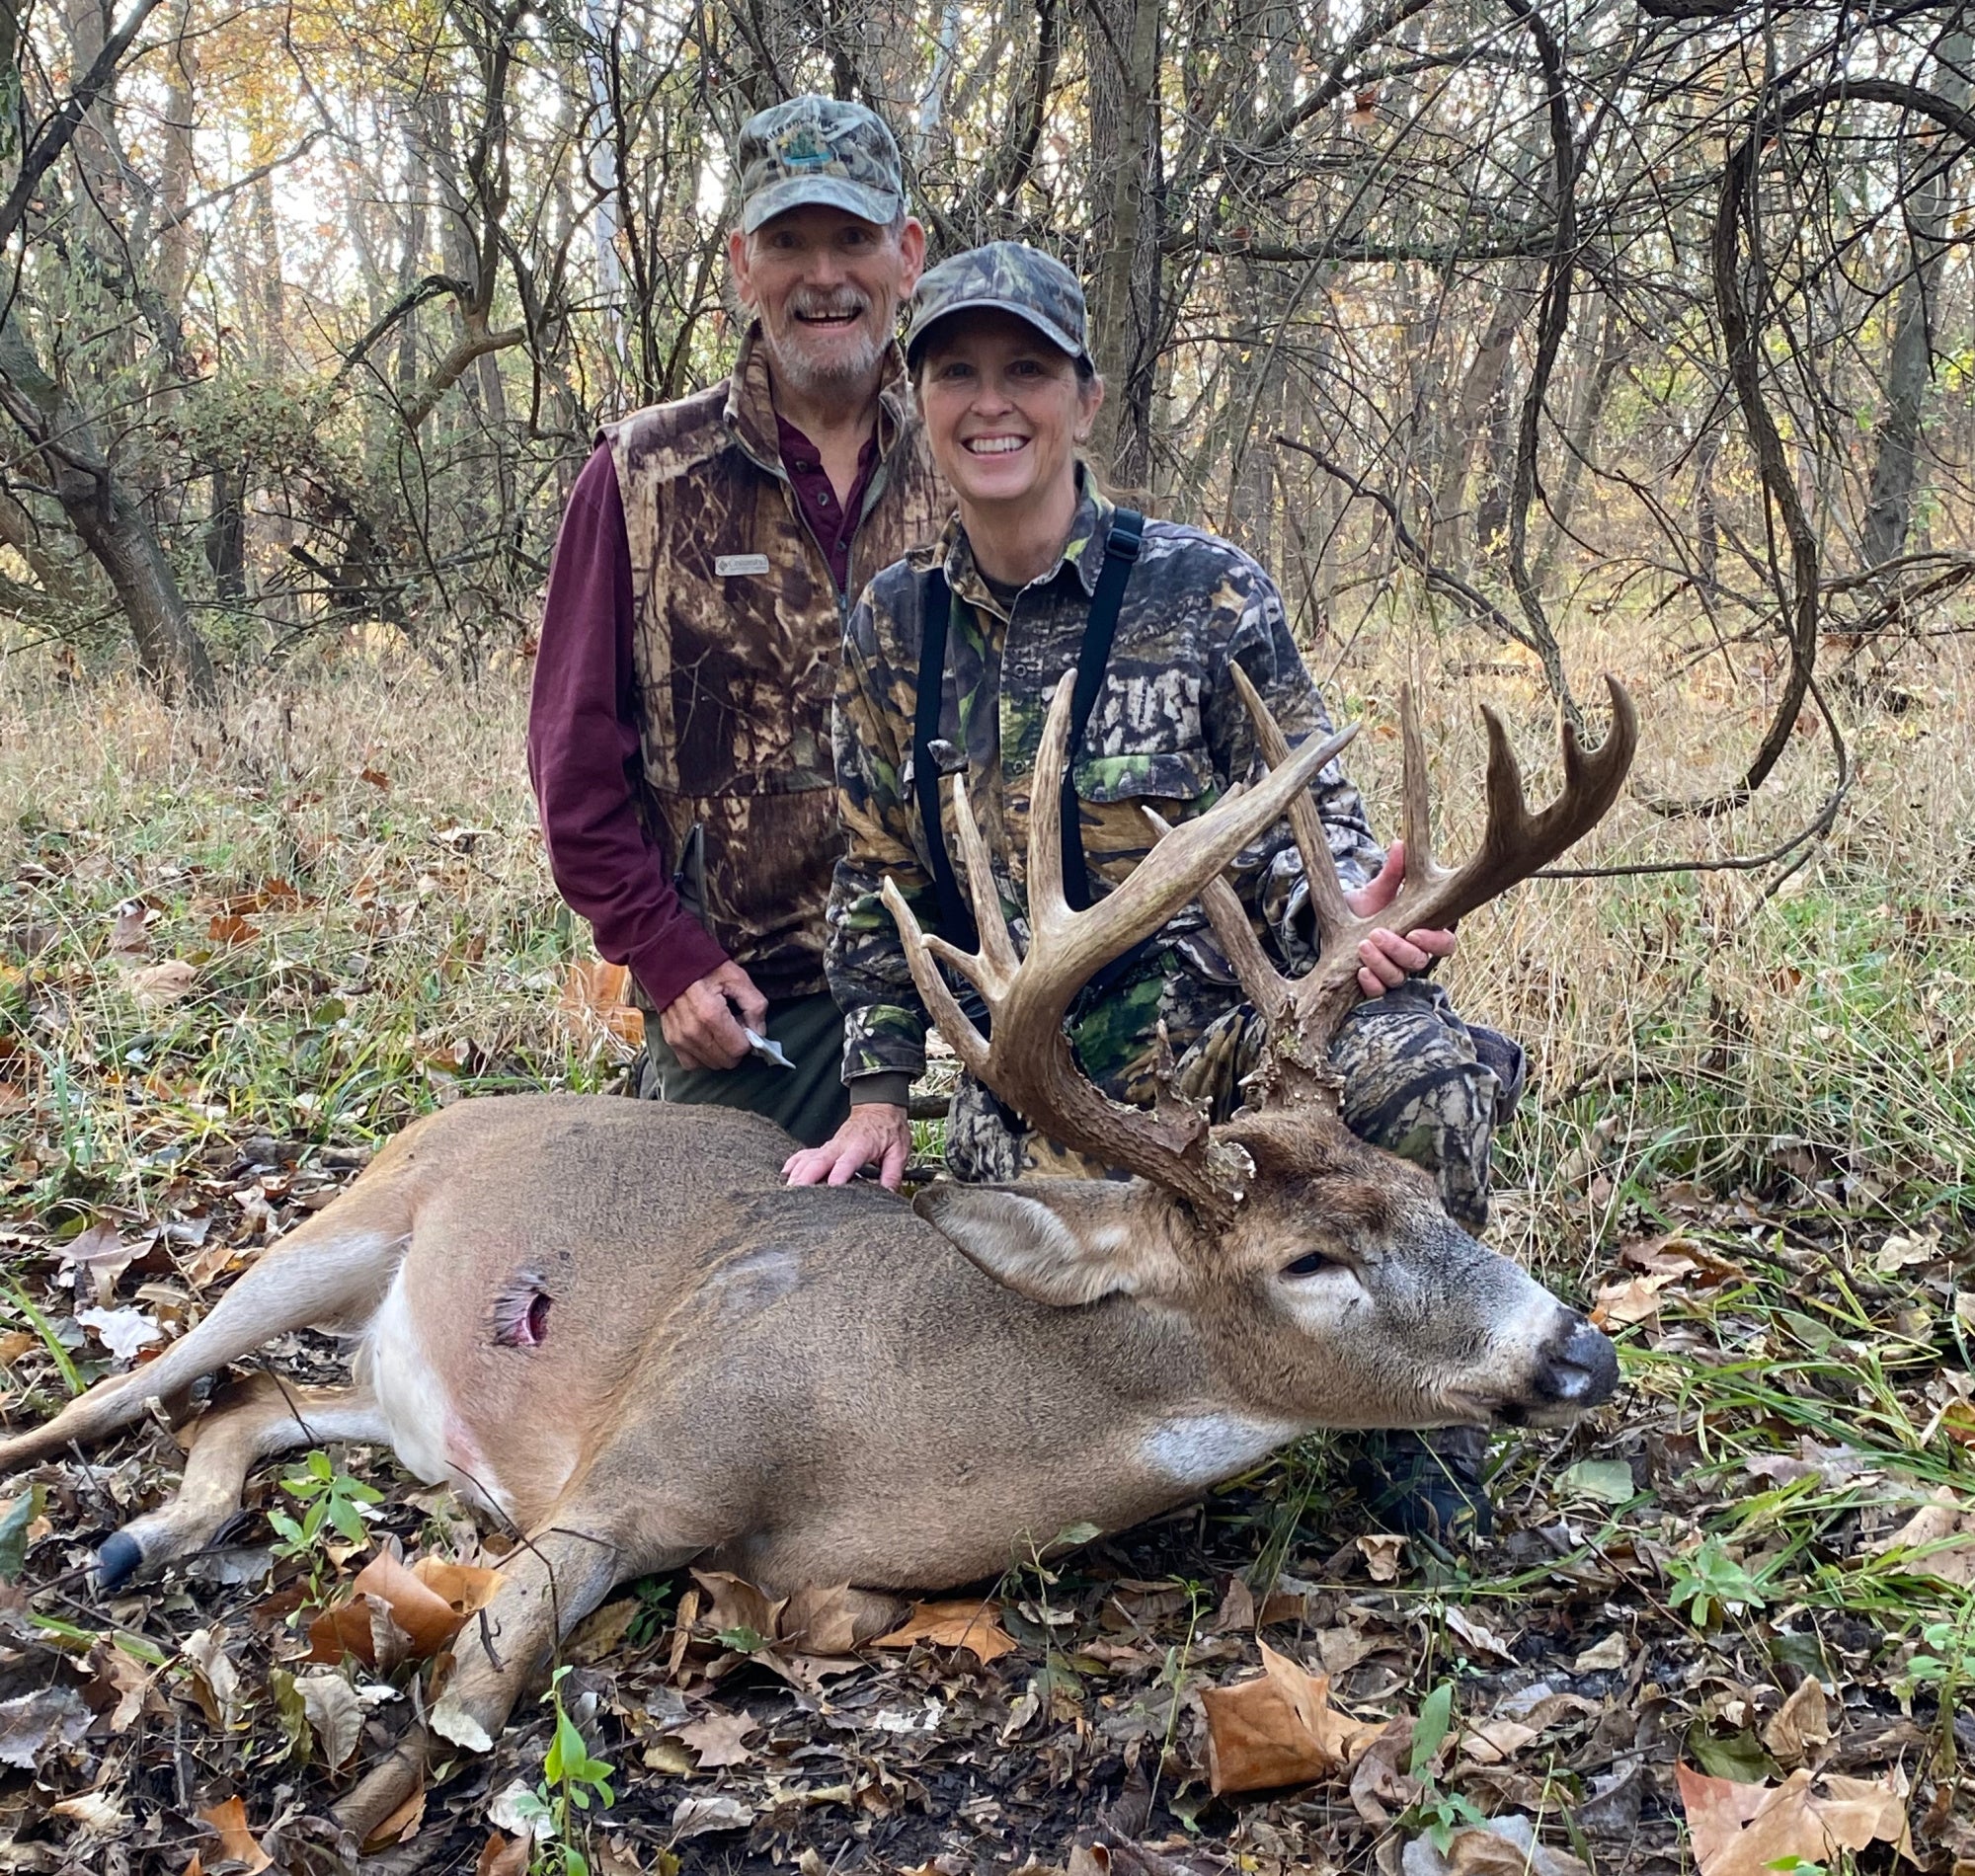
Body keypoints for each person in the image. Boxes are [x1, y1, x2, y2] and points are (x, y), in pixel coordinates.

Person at [787, 242, 1528, 1536]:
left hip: (1235, 1053)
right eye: (957, 372)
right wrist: (873, 1093)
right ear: (923, 405)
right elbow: (876, 876)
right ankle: (1187, 1425)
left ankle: (1417, 1426)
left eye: (1027, 370)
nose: (992, 403)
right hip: (1047, 1080)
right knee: (1011, 1287)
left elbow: (1319, 819)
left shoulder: (1207, 591)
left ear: (1085, 398)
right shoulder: (893, 627)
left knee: (1421, 1069)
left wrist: (1355, 920)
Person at [528, 96, 950, 1147]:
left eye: (851, 238)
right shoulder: (641, 478)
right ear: (739, 264)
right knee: (762, 1286)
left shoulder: (976, 465)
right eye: (788, 242)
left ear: (905, 254)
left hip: (977, 981)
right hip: (762, 1005)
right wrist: (667, 961)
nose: (823, 276)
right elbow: (573, 769)